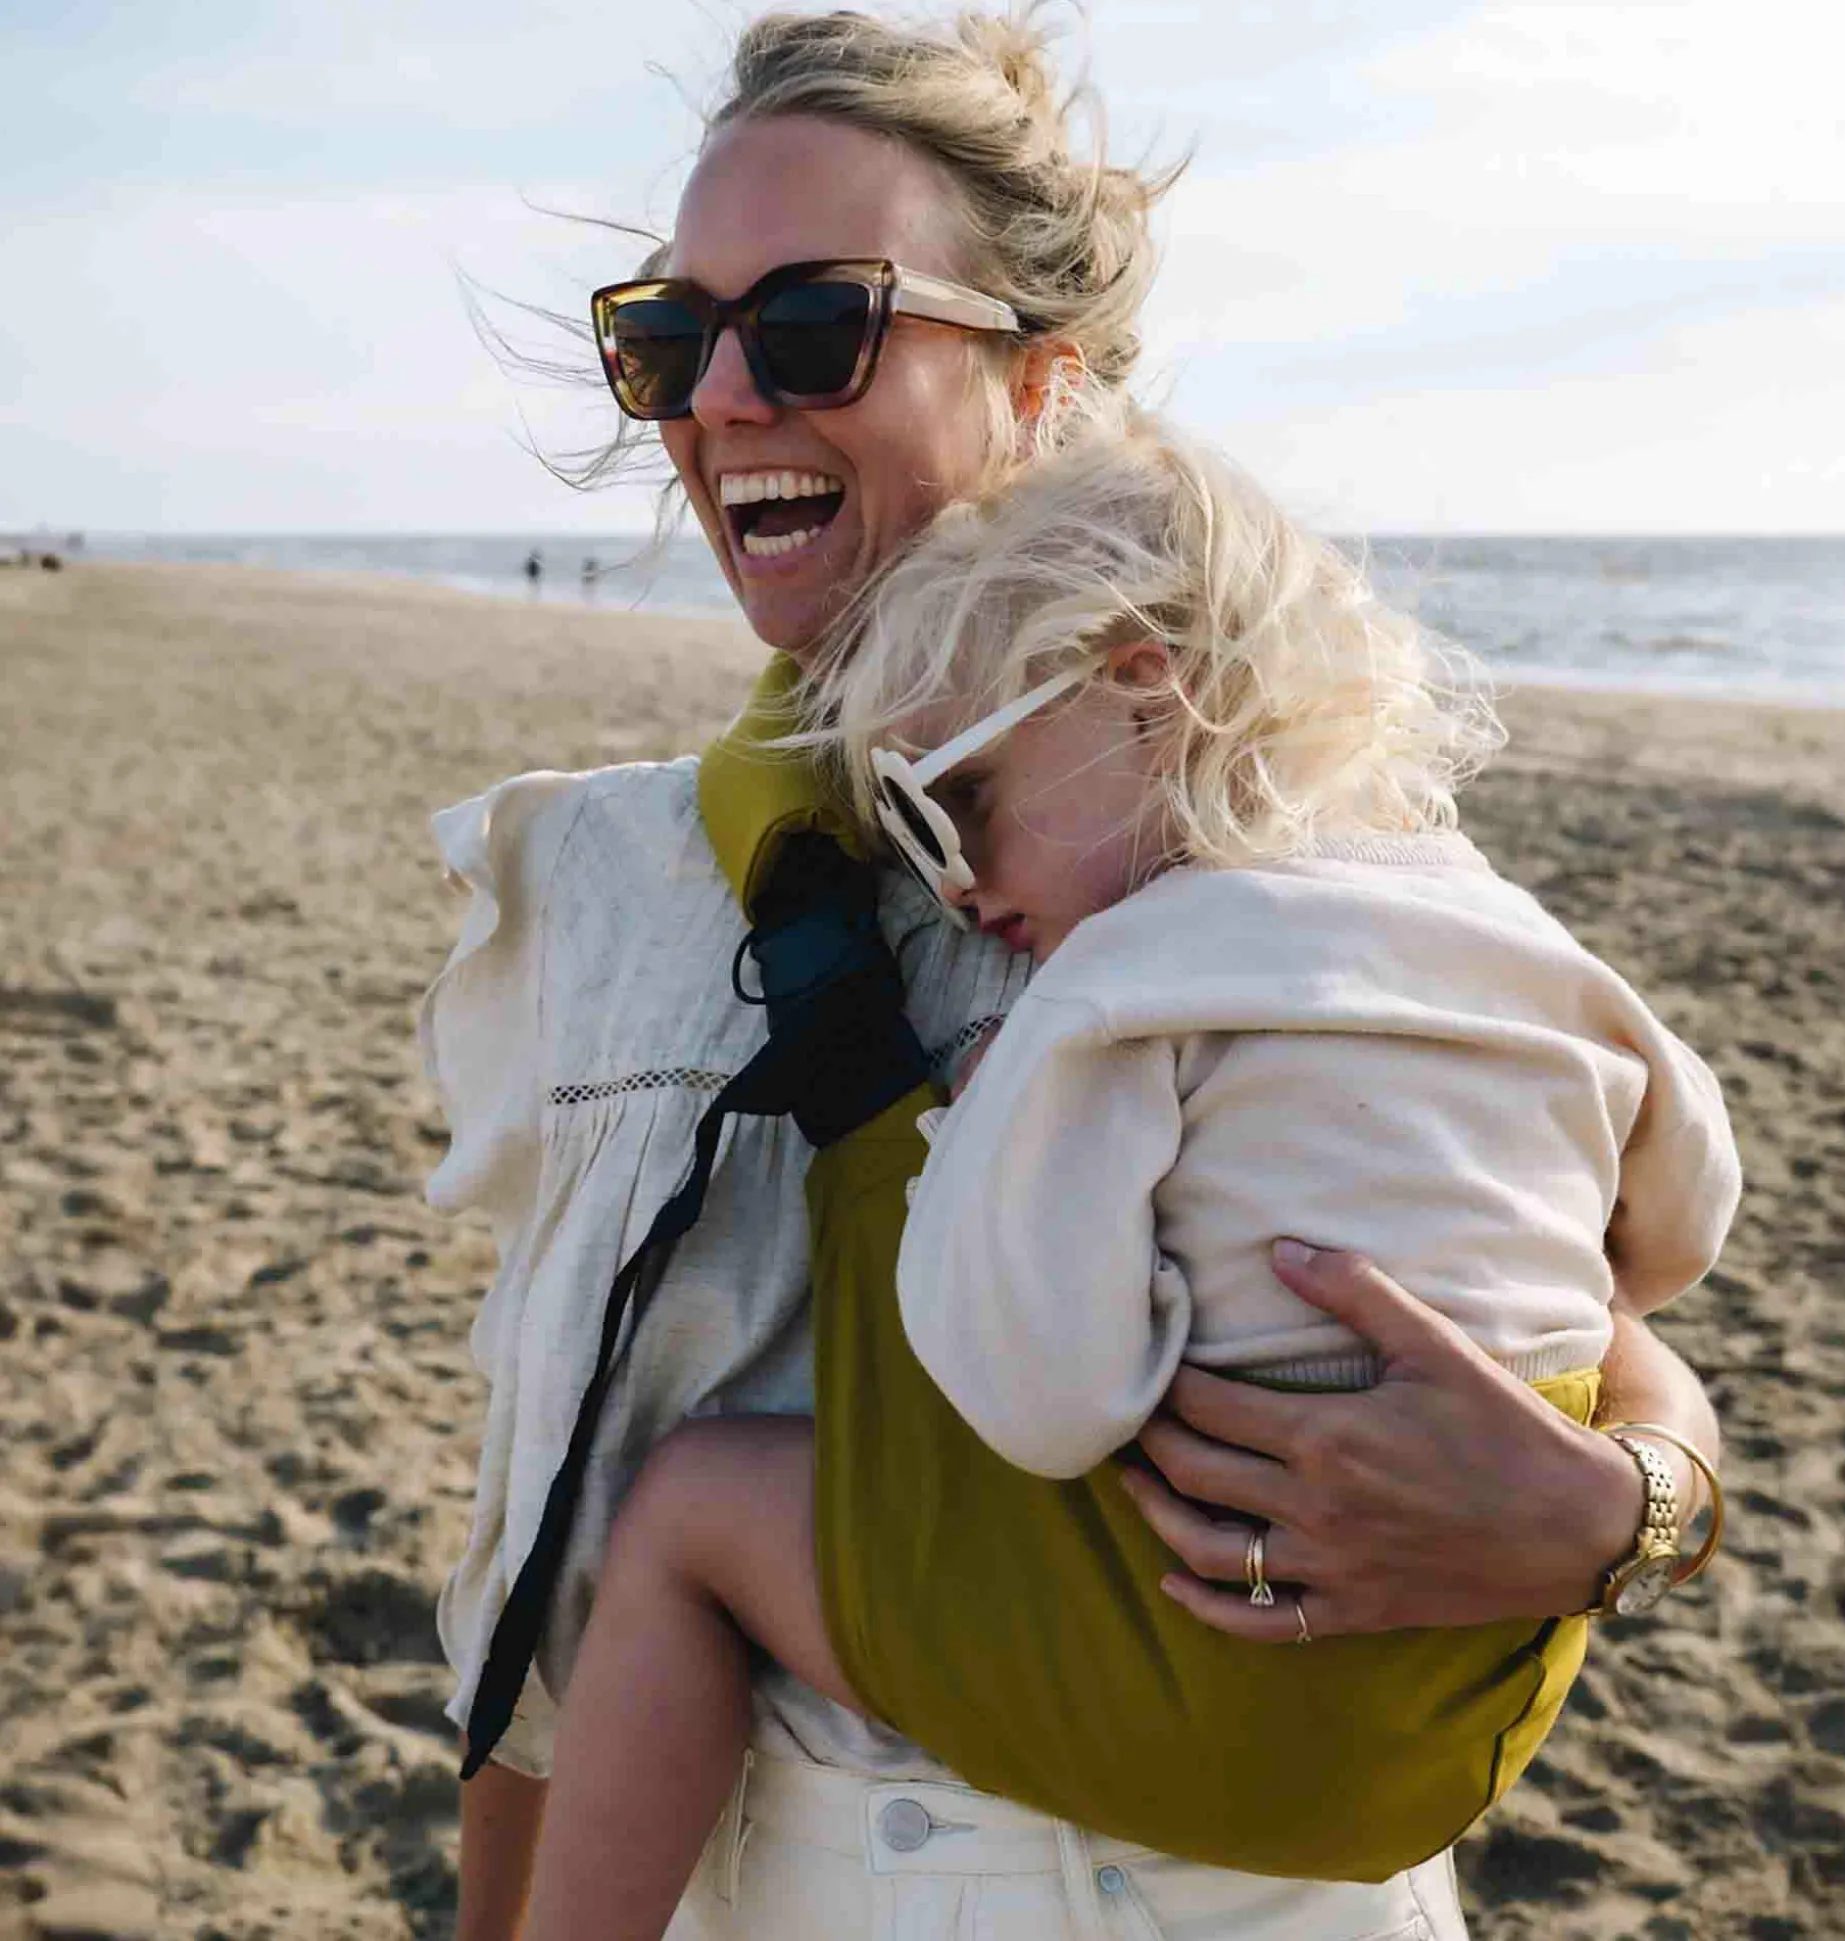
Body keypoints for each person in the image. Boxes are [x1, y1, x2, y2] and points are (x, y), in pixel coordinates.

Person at [422, 13, 1726, 1939]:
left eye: (816, 325)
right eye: (669, 339)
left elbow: (1573, 1306)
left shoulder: (1290, 825)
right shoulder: (621, 876)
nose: (726, 397)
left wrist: (1633, 1513)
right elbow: (550, 1518)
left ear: (1042, 378)